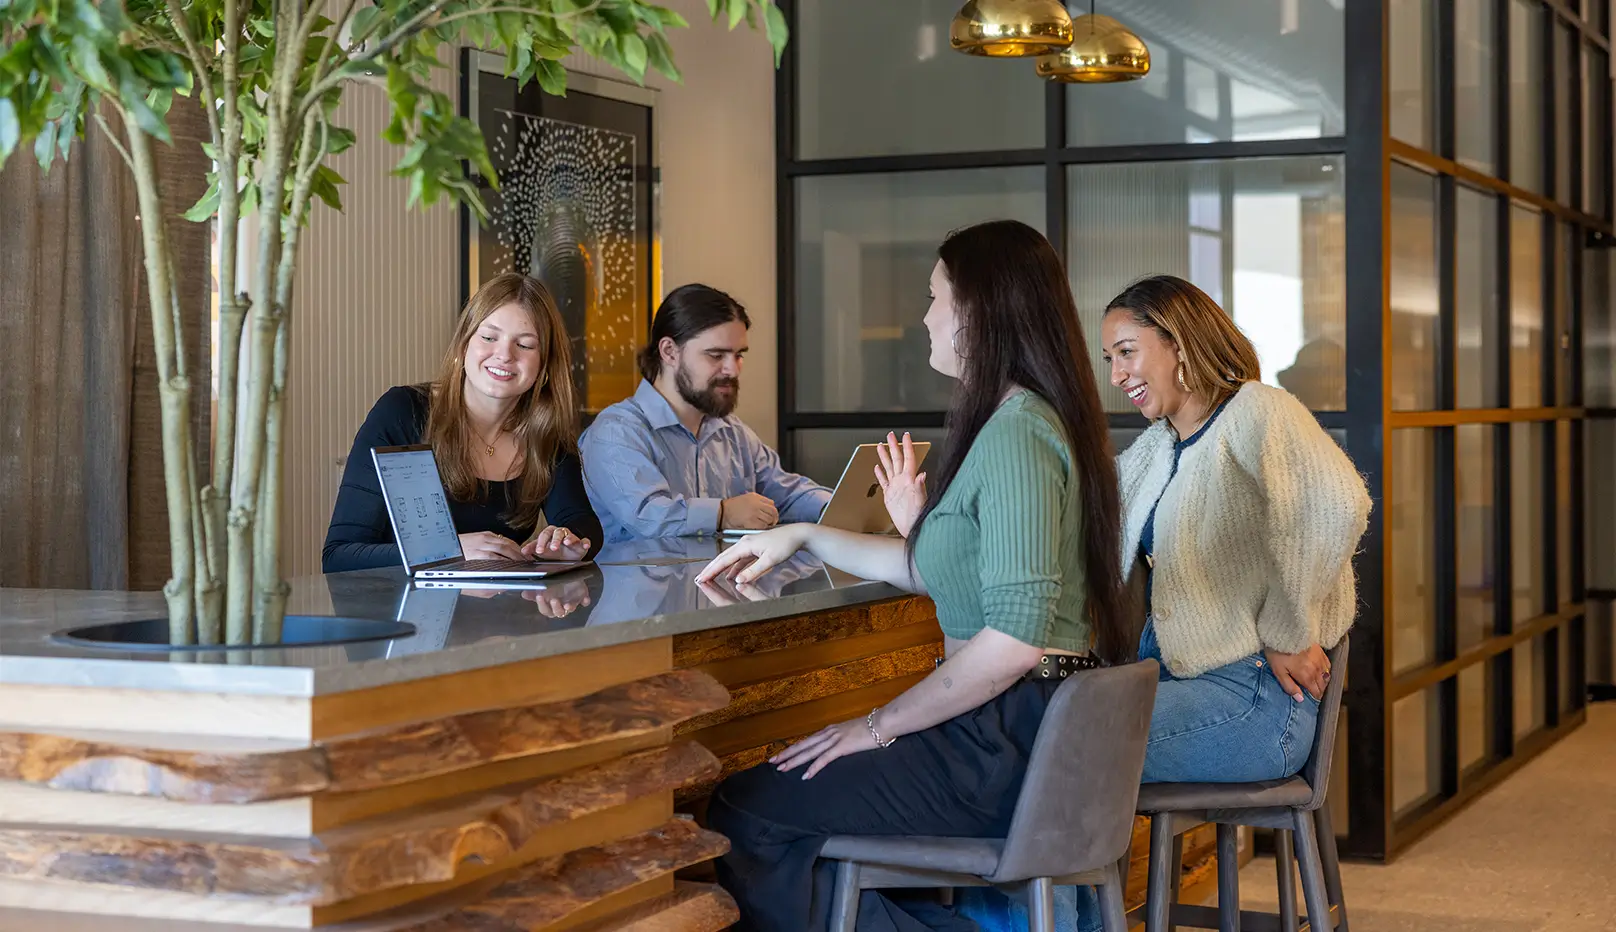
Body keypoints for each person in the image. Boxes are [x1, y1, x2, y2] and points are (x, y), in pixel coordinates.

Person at [693, 219, 1131, 932]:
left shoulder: (1018, 433)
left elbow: (1016, 641)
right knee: (790, 805)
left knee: (751, 808)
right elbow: (934, 570)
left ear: (977, 312)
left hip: (1002, 740)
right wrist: (803, 533)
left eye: (934, 296)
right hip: (1015, 729)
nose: (923, 315)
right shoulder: (1020, 422)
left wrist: (877, 724)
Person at [949, 274, 1373, 932]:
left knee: (1051, 750)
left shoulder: (1257, 411)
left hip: (1256, 702)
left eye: (1127, 351)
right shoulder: (1155, 450)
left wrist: (1289, 630)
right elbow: (1075, 536)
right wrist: (941, 525)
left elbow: (1335, 506)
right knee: (1032, 739)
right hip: (1178, 689)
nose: (1115, 374)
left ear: (1177, 342)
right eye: (1108, 358)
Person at [322, 272, 602, 573]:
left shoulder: (547, 432)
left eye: (525, 345)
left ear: (544, 364)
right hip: (405, 613)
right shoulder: (403, 411)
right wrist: (450, 551)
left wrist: (567, 544)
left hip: (501, 616)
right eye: (489, 337)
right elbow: (340, 556)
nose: (504, 355)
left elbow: (582, 524)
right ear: (464, 345)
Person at [580, 284, 830, 543]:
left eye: (738, 355)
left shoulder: (734, 434)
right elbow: (648, 517)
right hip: (634, 584)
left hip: (723, 583)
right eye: (716, 355)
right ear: (669, 351)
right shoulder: (616, 432)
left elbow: (786, 496)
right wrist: (723, 513)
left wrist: (840, 507)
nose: (732, 370)